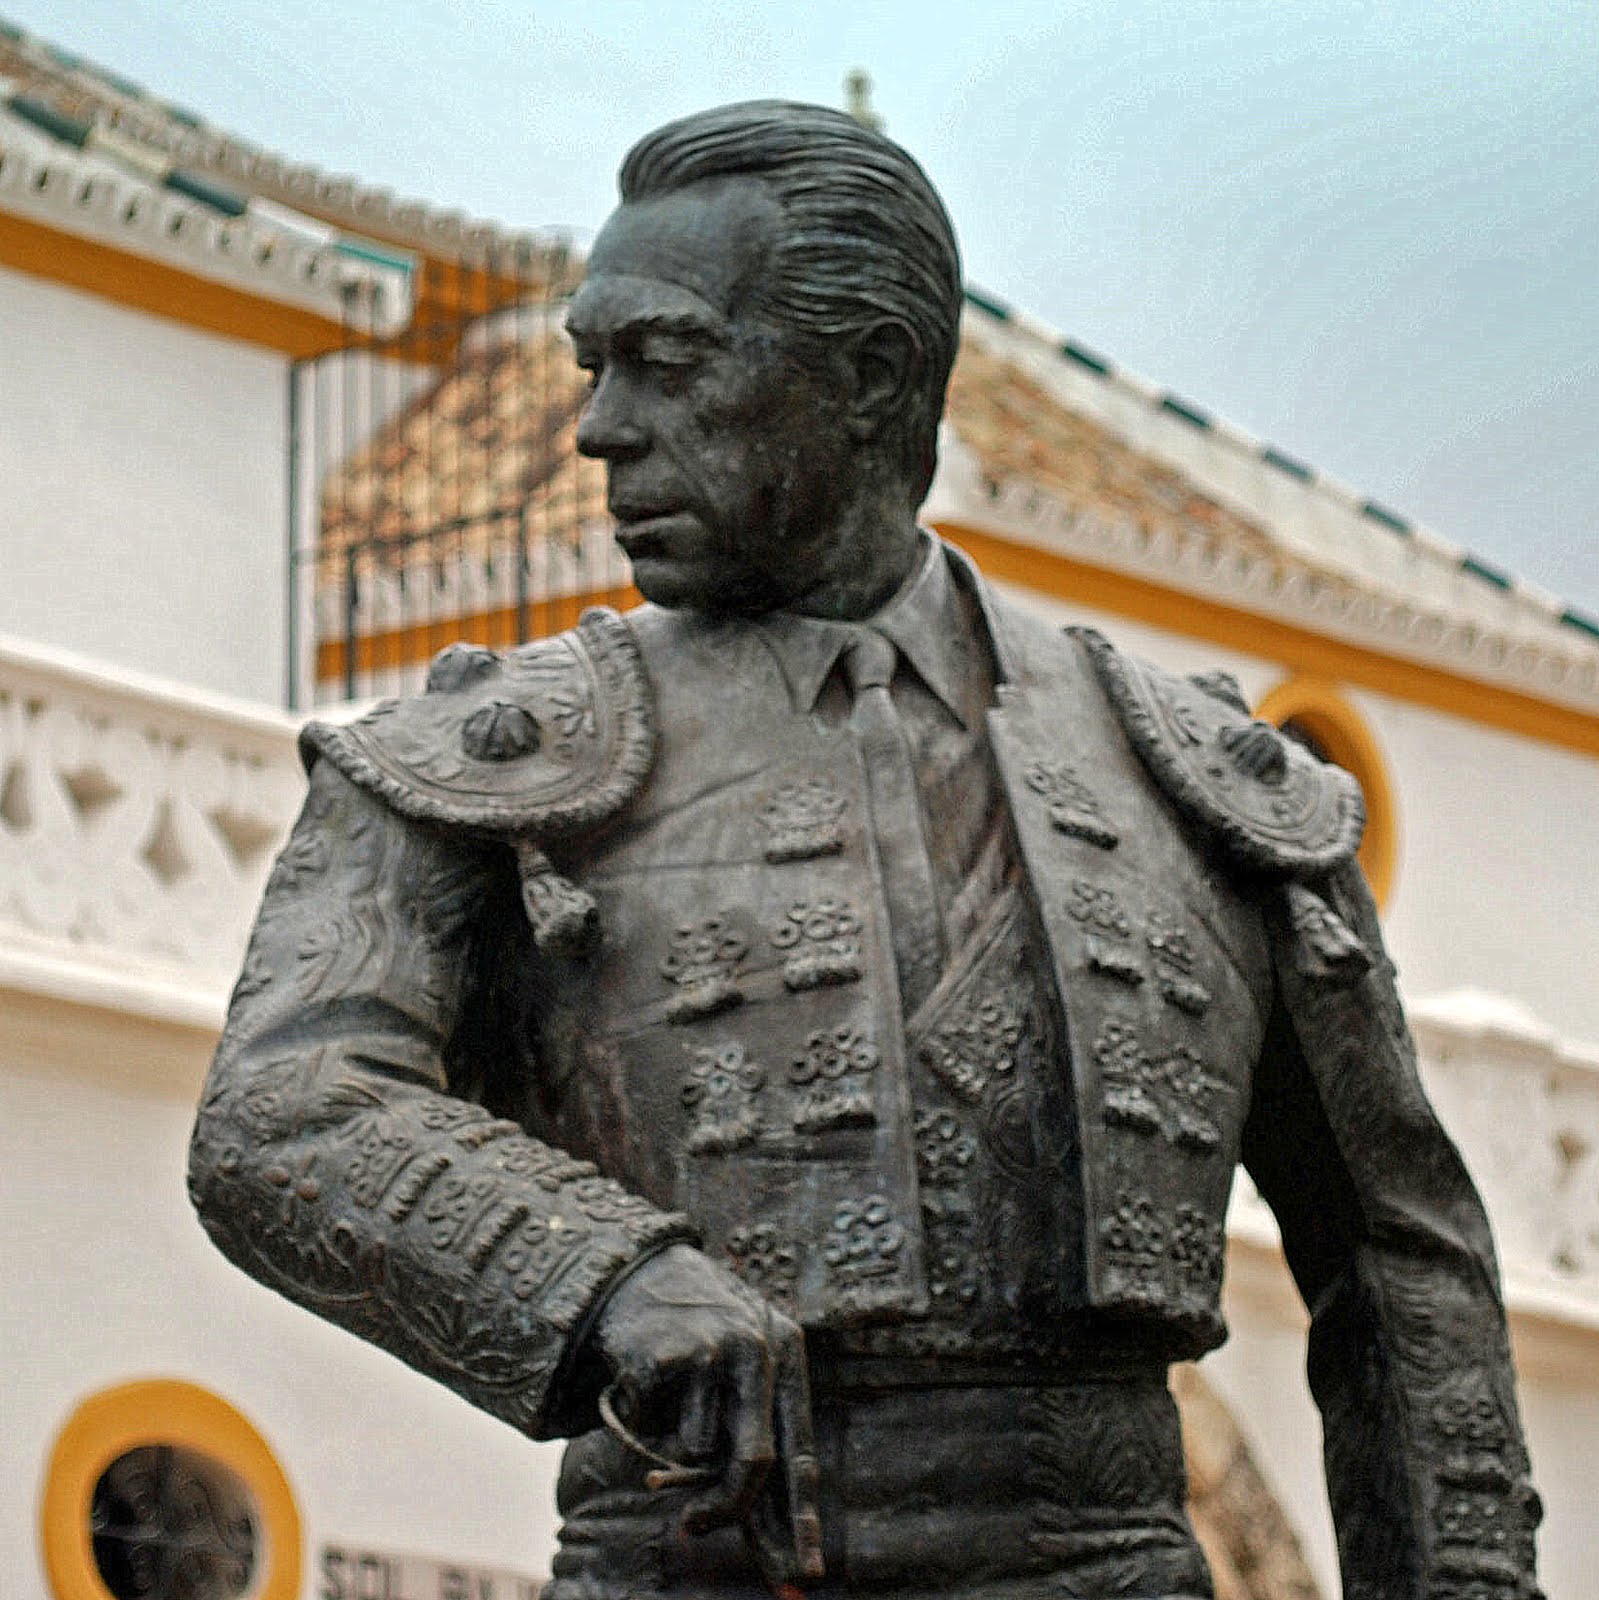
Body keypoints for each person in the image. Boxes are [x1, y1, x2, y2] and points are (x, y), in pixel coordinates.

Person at [189, 101, 1541, 1599]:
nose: (597, 428)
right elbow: (280, 1113)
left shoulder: (1201, 780)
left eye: (668, 362)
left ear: (874, 376)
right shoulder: (495, 756)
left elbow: (1398, 1263)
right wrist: (601, 1275)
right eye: (593, 366)